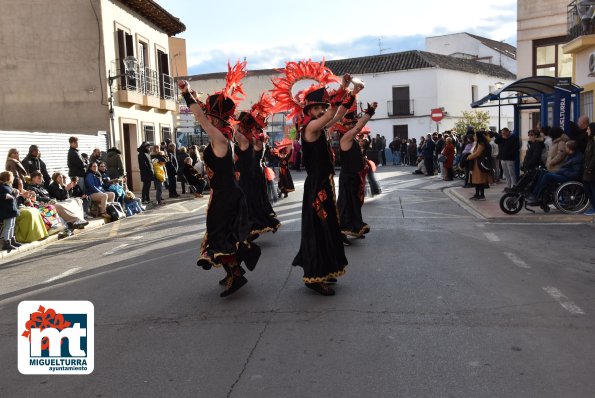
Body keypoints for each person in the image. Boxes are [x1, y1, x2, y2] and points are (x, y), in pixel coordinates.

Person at [178, 61, 261, 297]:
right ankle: (231, 272)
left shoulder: (220, 138)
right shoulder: (226, 134)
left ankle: (235, 274)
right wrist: (193, 94)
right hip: (225, 192)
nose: (208, 119)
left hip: (224, 195)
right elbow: (205, 118)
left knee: (220, 235)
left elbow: (201, 120)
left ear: (215, 118)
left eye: (210, 115)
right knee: (222, 234)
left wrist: (186, 95)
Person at [271, 61, 353, 296]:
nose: (320, 111)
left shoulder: (321, 126)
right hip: (317, 186)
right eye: (316, 108)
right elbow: (330, 114)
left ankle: (323, 270)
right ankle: (314, 276)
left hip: (323, 184)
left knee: (327, 228)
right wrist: (342, 88)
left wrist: (349, 93)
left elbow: (336, 115)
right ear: (308, 111)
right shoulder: (310, 128)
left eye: (321, 107)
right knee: (320, 229)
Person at [234, 97, 281, 239]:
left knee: (249, 201)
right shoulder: (254, 139)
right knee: (253, 201)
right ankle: (251, 227)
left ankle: (250, 227)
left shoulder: (251, 141)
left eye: (241, 126)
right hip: (252, 173)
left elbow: (235, 131)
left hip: (250, 174)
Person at [336, 98, 376, 245]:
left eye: (353, 124)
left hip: (354, 177)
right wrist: (369, 113)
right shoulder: (345, 138)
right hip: (347, 178)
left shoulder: (353, 140)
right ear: (345, 128)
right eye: (350, 125)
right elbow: (359, 128)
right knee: (345, 205)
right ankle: (341, 234)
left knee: (355, 205)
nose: (353, 126)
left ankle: (355, 229)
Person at [466, 130, 491, 200]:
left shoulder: (481, 144)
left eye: (475, 135)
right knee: (476, 180)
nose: (474, 137)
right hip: (475, 164)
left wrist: (469, 157)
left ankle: (482, 195)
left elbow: (477, 153)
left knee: (480, 180)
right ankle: (477, 194)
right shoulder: (477, 143)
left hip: (479, 164)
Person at [0, 171, 21, 252]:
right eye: (12, 176)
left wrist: (16, 193)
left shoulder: (8, 186)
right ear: (7, 178)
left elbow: (12, 196)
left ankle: (12, 240)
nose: (13, 178)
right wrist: (5, 196)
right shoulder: (1, 186)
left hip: (12, 209)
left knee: (12, 226)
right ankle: (6, 243)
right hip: (7, 210)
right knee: (8, 227)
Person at [582, 122, 595, 215]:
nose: (587, 131)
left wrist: (589, 168)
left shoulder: (593, 142)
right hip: (587, 169)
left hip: (592, 170)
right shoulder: (589, 141)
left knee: (592, 189)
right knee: (587, 188)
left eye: (588, 129)